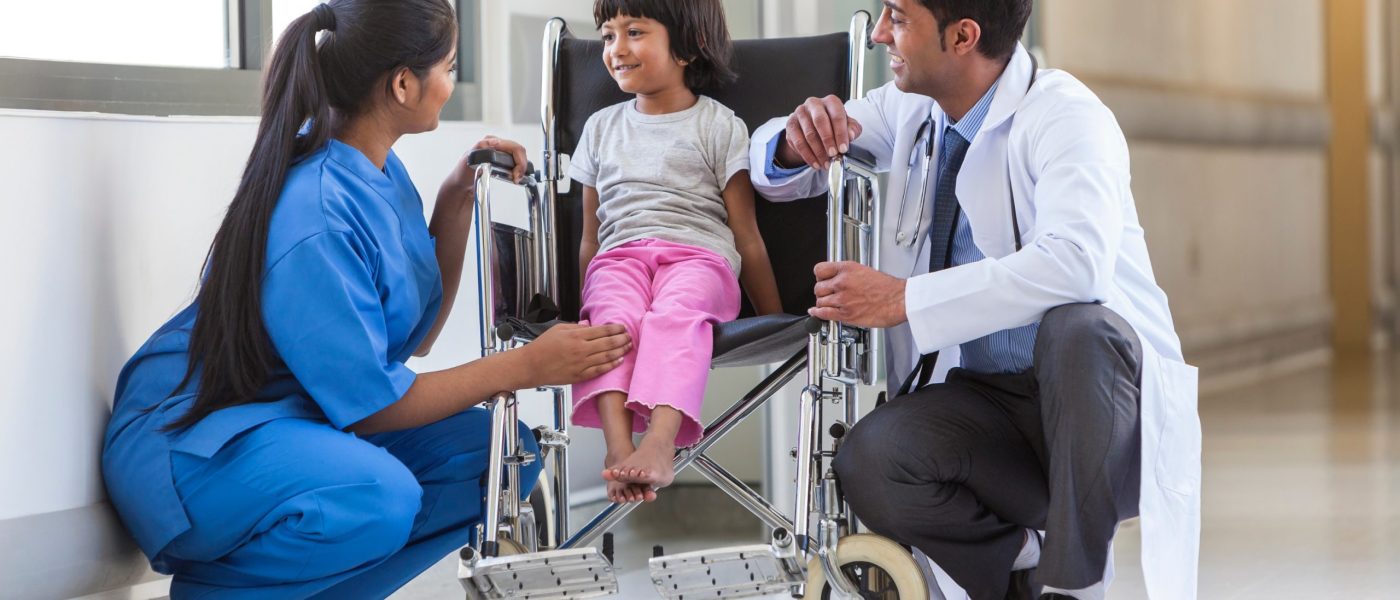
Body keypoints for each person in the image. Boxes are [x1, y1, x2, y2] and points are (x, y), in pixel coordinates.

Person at [101, 1, 631, 597]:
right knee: (381, 496)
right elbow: (373, 409)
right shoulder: (318, 209)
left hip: (291, 419)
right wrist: (526, 366)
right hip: (194, 446)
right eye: (450, 68)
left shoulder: (374, 168)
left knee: (495, 459)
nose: (452, 85)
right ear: (404, 83)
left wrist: (454, 201)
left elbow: (416, 338)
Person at [748, 0, 1201, 598]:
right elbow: (774, 165)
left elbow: (1077, 264)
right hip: (990, 405)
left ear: (963, 35)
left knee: (1079, 330)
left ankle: (1072, 582)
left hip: (1098, 415)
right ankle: (1023, 556)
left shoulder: (1067, 116)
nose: (880, 33)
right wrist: (792, 136)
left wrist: (906, 300)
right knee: (871, 459)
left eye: (898, 18)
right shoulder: (909, 107)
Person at [569, 0, 783, 504]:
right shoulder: (600, 128)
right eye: (607, 35)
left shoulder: (718, 125)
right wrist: (583, 301)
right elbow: (590, 238)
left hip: (698, 258)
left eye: (635, 32)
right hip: (619, 259)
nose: (616, 49)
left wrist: (775, 317)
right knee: (610, 324)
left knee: (674, 315)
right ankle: (618, 449)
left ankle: (660, 444)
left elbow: (745, 234)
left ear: (688, 47)